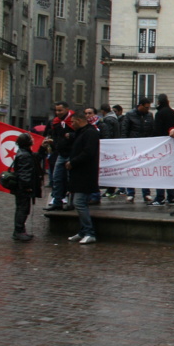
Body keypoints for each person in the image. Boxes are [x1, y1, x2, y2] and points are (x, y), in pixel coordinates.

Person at [66, 112, 101, 245]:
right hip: (80, 174)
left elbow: (88, 152)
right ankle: (82, 231)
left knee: (79, 203)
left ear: (80, 120)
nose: (72, 125)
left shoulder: (90, 133)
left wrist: (73, 162)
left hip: (86, 174)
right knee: (80, 203)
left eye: (73, 122)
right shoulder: (83, 133)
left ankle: (89, 232)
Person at [120, 97, 155, 203]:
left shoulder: (149, 115)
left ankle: (146, 193)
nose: (148, 109)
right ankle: (130, 192)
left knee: (145, 170)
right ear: (140, 105)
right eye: (146, 107)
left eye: (149, 107)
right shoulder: (130, 115)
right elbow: (124, 130)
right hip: (132, 146)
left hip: (144, 146)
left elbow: (152, 129)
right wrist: (124, 144)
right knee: (131, 169)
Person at [43, 101, 75, 211]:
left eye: (60, 110)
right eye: (56, 110)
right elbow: (56, 136)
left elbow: (81, 133)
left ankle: (71, 202)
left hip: (72, 153)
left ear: (66, 109)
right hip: (61, 153)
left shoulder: (73, 120)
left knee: (70, 179)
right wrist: (54, 143)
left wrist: (71, 136)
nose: (58, 112)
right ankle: (57, 201)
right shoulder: (55, 122)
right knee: (57, 178)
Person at [11, 133, 41, 241]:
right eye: (31, 139)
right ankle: (19, 231)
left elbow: (36, 157)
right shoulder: (24, 155)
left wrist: (42, 148)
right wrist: (26, 186)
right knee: (22, 209)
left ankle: (20, 230)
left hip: (21, 187)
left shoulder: (24, 153)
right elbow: (25, 173)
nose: (33, 140)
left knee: (22, 208)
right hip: (23, 188)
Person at [151, 94, 174, 206]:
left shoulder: (159, 114)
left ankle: (160, 197)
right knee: (170, 170)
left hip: (161, 145)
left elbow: (157, 130)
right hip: (172, 145)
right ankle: (171, 196)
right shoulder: (173, 113)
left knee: (161, 171)